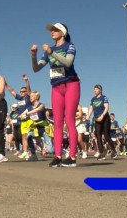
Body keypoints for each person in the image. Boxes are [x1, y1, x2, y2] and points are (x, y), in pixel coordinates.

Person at [31, 22, 80, 168]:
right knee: (57, 122)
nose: (52, 31)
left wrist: (52, 53)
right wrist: (33, 56)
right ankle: (58, 156)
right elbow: (36, 68)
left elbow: (68, 62)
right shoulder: (48, 50)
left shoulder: (69, 46)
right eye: (51, 30)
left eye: (55, 29)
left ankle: (71, 157)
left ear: (63, 32)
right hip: (56, 87)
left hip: (71, 84)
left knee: (69, 120)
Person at [88, 84, 115, 160]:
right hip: (97, 119)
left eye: (96, 89)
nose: (94, 90)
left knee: (106, 136)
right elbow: (91, 108)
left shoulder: (104, 97)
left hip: (105, 118)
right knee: (98, 135)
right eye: (94, 89)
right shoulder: (93, 99)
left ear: (100, 90)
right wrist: (88, 116)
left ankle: (113, 150)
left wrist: (102, 115)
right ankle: (101, 153)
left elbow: (106, 107)